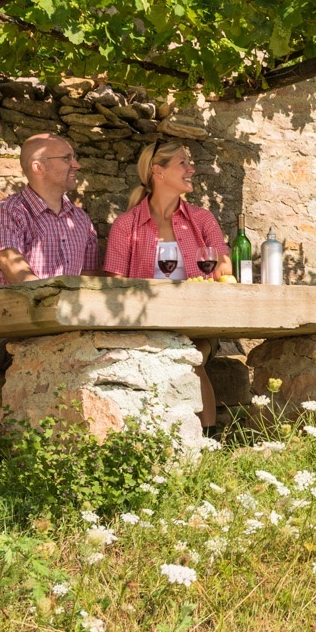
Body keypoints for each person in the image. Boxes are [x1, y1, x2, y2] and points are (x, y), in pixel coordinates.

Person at [104, 140, 232, 436]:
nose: (192, 169)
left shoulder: (202, 220)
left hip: (199, 323)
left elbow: (224, 271)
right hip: (144, 324)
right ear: (157, 172)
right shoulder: (127, 226)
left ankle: (209, 440)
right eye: (182, 163)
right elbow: (112, 288)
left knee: (190, 354)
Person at [0, 133, 104, 369]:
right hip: (4, 329)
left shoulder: (81, 220)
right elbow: (21, 278)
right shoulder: (7, 213)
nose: (77, 165)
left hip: (61, 326)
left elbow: (89, 283)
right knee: (74, 359)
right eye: (67, 158)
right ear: (38, 167)